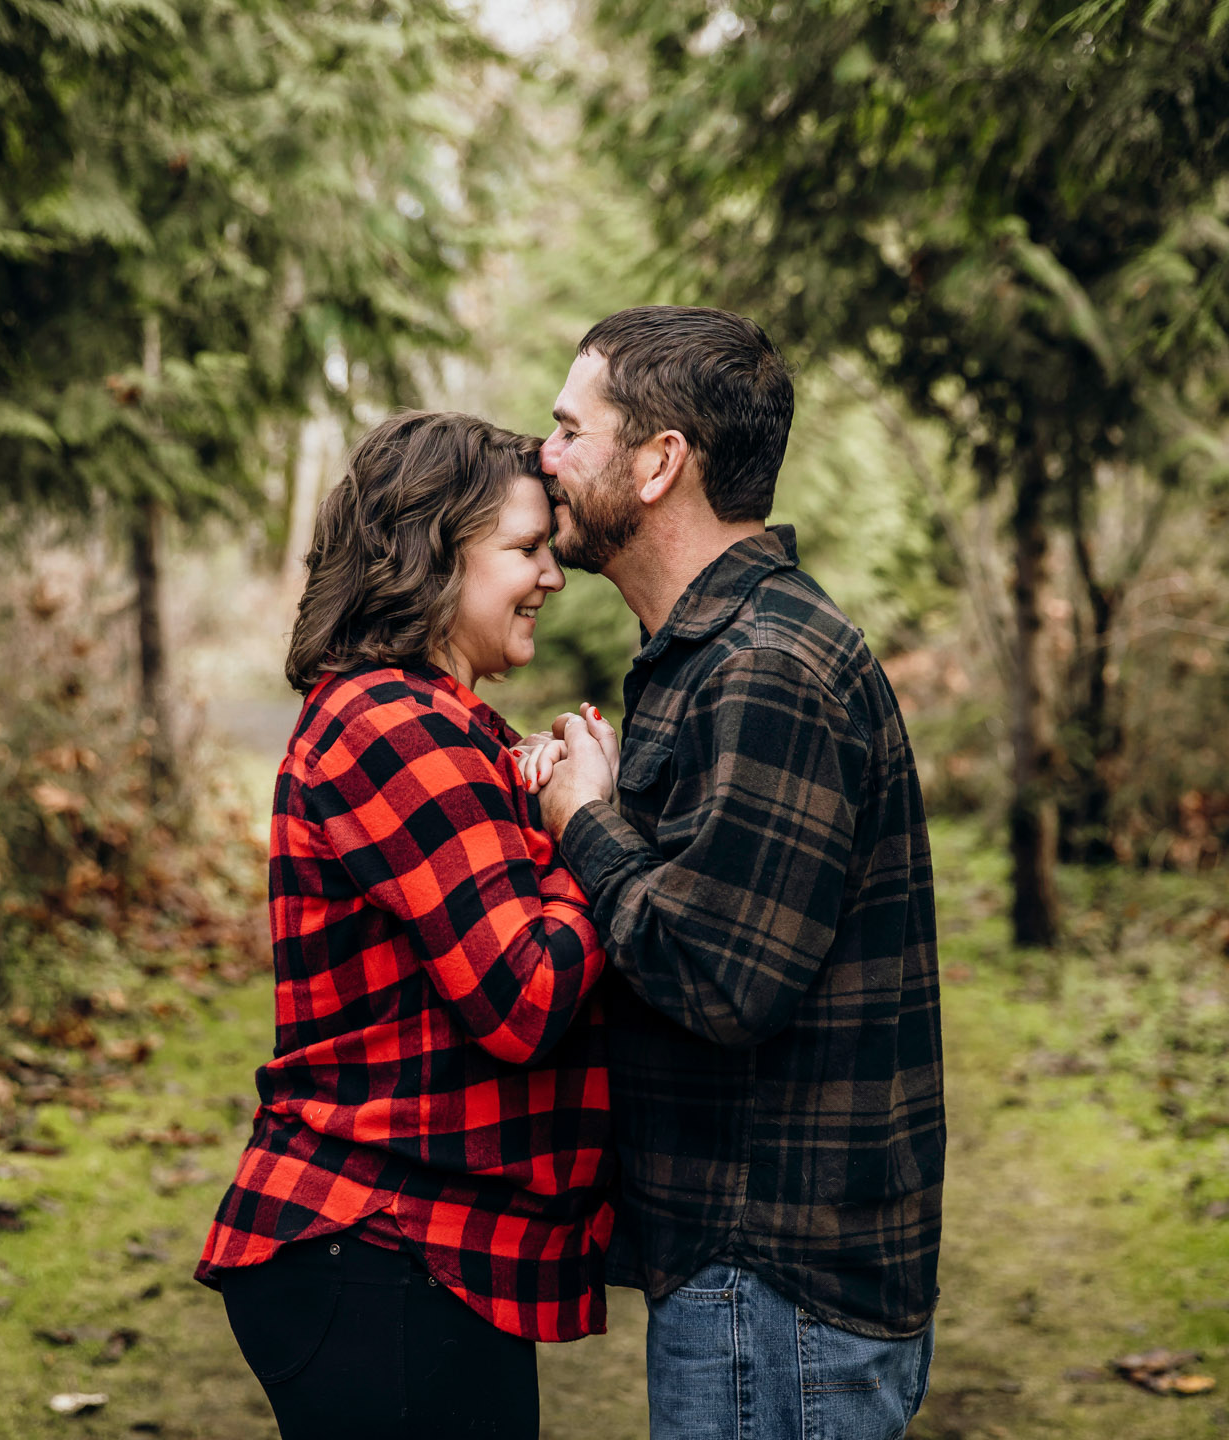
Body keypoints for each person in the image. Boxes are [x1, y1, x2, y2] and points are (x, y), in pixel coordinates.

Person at [532, 307, 946, 1440]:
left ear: (659, 462)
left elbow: (720, 978)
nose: (543, 456)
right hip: (751, 1272)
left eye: (569, 428)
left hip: (775, 1283)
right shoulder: (714, 654)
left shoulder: (764, 669)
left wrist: (583, 821)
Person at [196, 411, 616, 1440]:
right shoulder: (393, 726)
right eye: (524, 550)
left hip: (413, 1253)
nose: (551, 577)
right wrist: (589, 831)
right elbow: (526, 998)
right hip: (380, 1247)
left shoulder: (447, 728)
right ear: (433, 558)